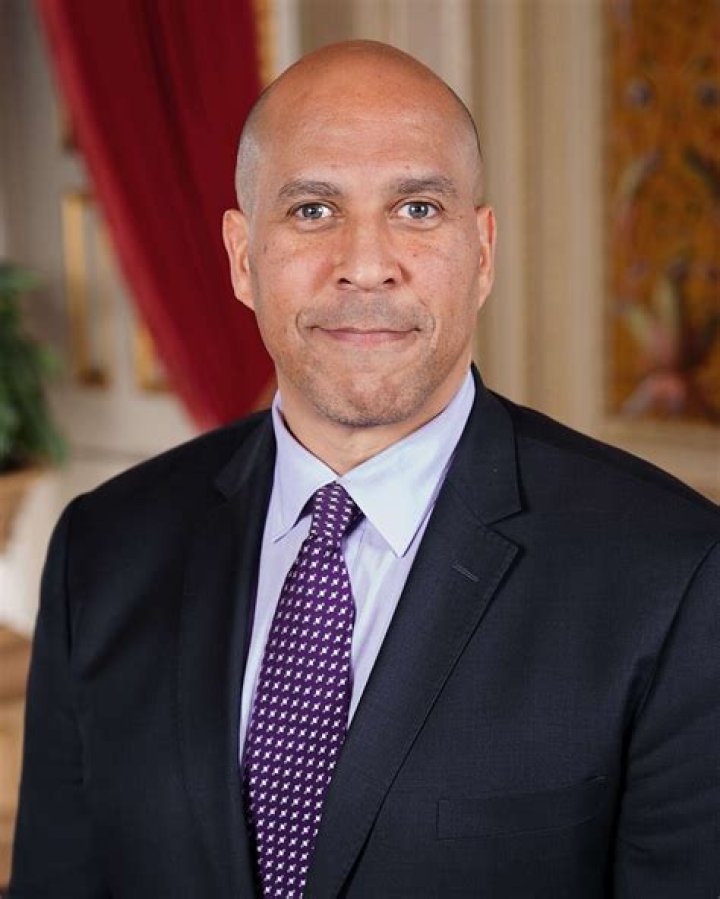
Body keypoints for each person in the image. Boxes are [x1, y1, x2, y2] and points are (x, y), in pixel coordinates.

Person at [9, 40, 719, 899]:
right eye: (313, 210)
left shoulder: (674, 574)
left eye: (417, 208)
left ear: (482, 252)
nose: (366, 263)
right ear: (242, 257)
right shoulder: (103, 549)